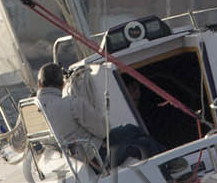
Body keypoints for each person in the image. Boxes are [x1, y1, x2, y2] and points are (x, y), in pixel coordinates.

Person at [35, 63, 164, 167]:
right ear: (63, 84)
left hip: (70, 158)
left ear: (39, 84)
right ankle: (169, 176)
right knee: (144, 143)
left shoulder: (30, 109)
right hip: (97, 158)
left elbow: (17, 144)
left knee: (131, 130)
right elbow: (103, 132)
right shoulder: (72, 104)